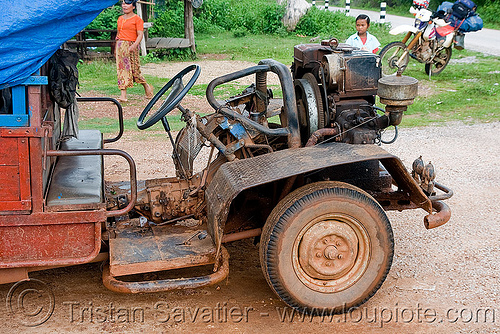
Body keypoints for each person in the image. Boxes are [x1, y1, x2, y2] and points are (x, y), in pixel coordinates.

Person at [116, 0, 153, 102]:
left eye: (127, 4)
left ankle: (146, 85)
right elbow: (118, 34)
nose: (124, 6)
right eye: (123, 3)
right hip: (120, 46)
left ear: (133, 6)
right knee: (122, 70)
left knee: (134, 71)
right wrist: (117, 47)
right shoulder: (120, 19)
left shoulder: (137, 19)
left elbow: (140, 35)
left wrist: (134, 46)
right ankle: (123, 96)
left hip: (131, 45)